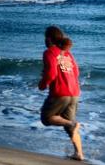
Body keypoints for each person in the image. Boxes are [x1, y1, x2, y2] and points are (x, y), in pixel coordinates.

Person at [38, 26, 84, 161]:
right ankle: (79, 153)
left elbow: (52, 72)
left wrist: (42, 84)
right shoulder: (67, 53)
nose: (45, 40)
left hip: (60, 92)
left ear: (49, 38)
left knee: (46, 118)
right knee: (68, 123)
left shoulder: (49, 52)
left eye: (45, 37)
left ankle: (72, 125)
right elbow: (76, 72)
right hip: (74, 92)